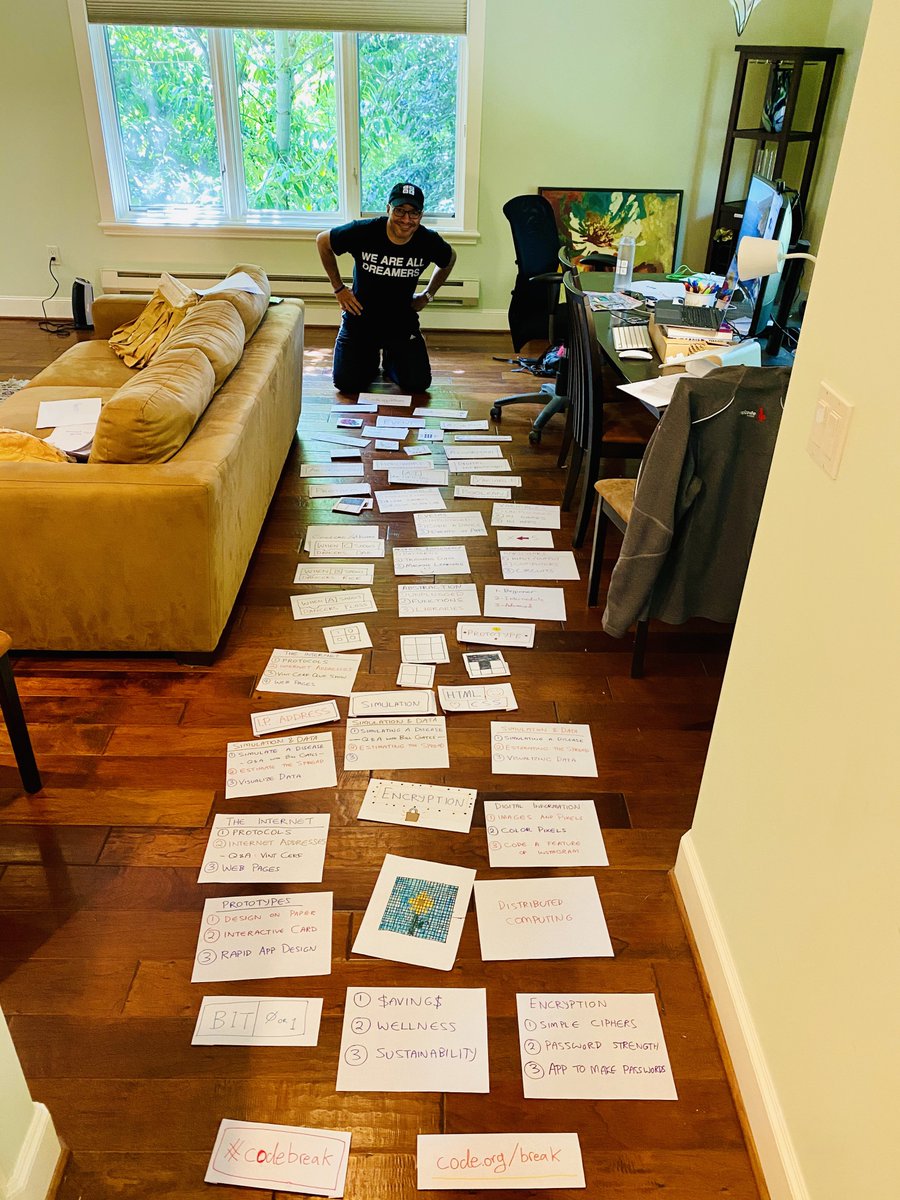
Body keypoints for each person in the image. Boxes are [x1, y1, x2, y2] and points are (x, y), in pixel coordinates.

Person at [316, 183, 457, 395]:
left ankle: (391, 358)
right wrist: (339, 289)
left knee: (417, 383)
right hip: (360, 319)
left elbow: (450, 258)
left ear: (421, 215)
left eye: (413, 213)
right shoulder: (365, 231)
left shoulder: (427, 240)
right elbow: (323, 241)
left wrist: (427, 295)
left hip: (401, 321)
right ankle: (370, 357)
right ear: (388, 209)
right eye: (400, 211)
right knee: (347, 384)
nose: (406, 220)